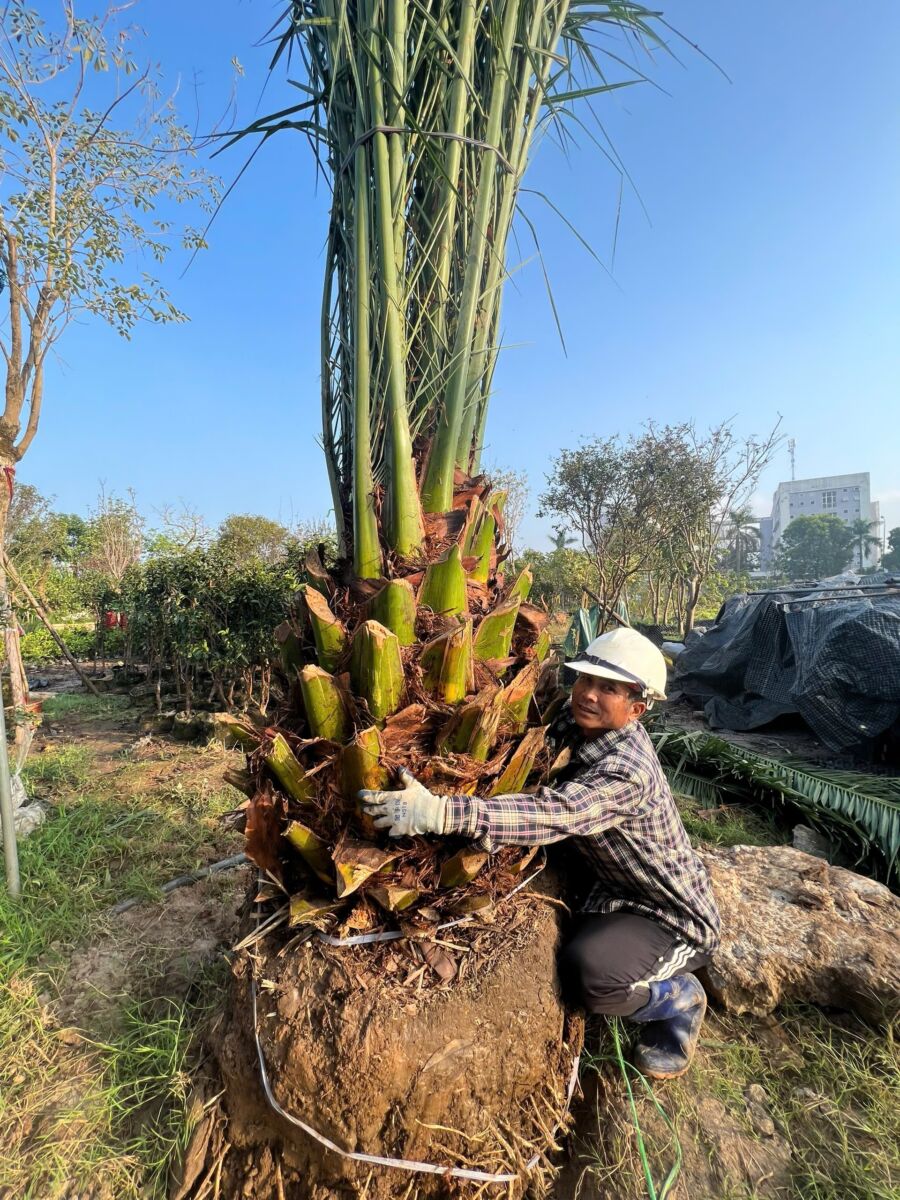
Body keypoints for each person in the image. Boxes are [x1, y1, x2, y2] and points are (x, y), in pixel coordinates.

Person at [360, 627, 721, 1080]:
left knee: (591, 975)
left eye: (608, 688)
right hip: (612, 886)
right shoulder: (581, 724)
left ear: (637, 708)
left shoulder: (628, 771)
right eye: (585, 680)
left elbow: (556, 813)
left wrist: (441, 812)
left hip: (667, 914)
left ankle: (679, 1000)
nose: (588, 694)